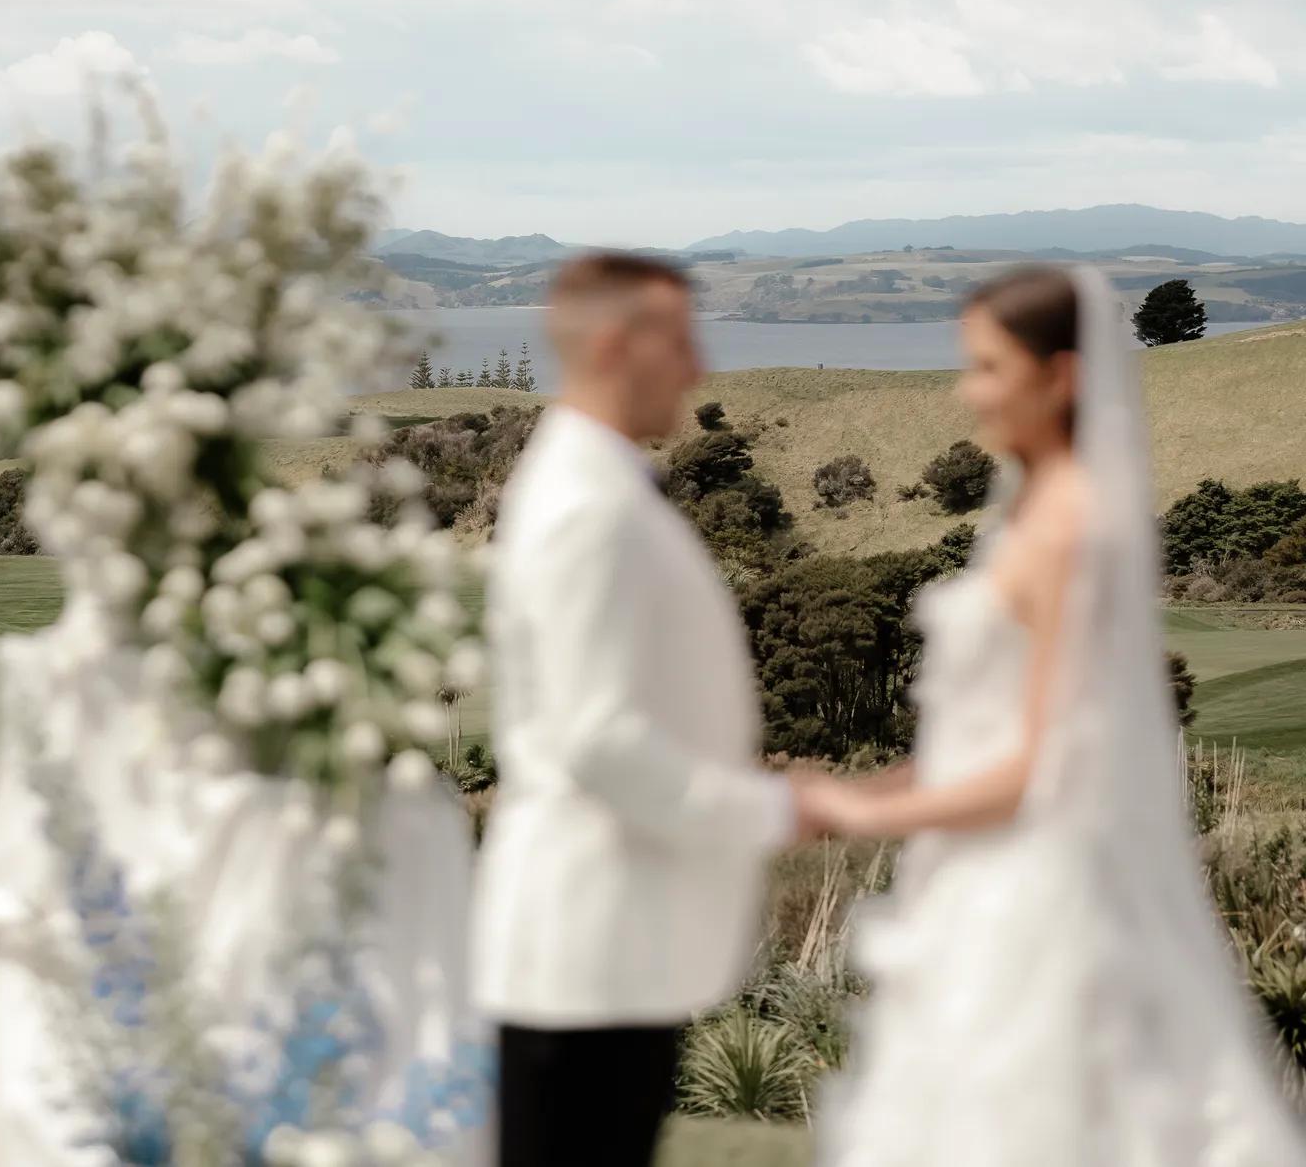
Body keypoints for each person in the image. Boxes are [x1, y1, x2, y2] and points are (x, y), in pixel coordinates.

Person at [807, 264, 1306, 1164]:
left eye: (990, 368)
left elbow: (1040, 765)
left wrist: (863, 812)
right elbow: (979, 730)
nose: (969, 392)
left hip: (1036, 893)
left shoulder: (1073, 524)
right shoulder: (1029, 508)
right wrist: (872, 786)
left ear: (1062, 377)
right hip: (973, 878)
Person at [471, 251, 822, 1166]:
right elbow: (597, 739)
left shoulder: (594, 485)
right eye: (682, 339)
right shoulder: (587, 506)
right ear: (622, 346)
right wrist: (782, 807)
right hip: (585, 951)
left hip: (608, 953)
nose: (700, 366)